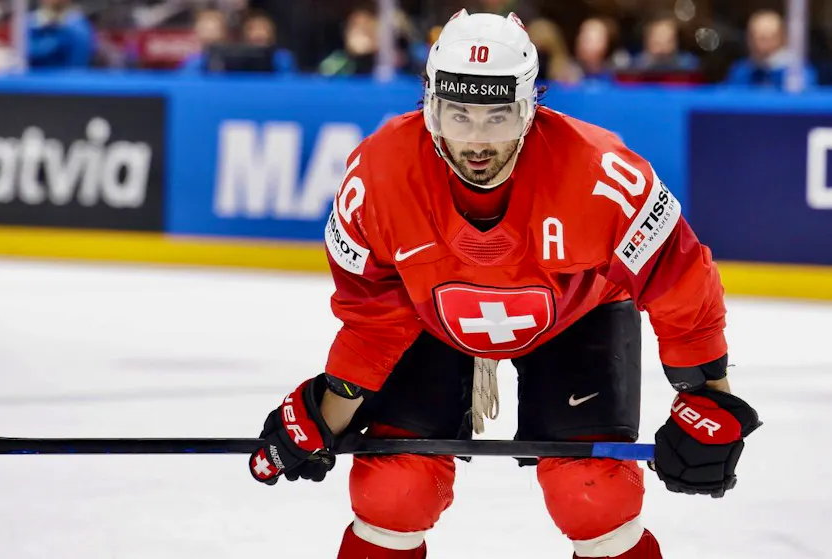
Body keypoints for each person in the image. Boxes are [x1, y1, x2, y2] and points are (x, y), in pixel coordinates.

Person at [249, 9, 762, 559]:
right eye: (458, 114)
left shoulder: (601, 172)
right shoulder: (376, 176)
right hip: (429, 323)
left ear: (531, 106)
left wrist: (710, 399)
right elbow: (375, 315)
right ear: (429, 104)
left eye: (498, 116)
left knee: (595, 498)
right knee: (392, 493)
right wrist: (328, 410)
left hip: (577, 315)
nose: (476, 141)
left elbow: (679, 276)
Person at [725, 9, 818, 89]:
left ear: (782, 39)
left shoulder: (797, 73)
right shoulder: (741, 71)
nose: (762, 45)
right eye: (758, 38)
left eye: (770, 38)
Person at [26, 0, 95, 69]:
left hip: (67, 76)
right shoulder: (30, 22)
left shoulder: (77, 25)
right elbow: (24, 52)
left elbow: (78, 61)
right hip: (34, 76)